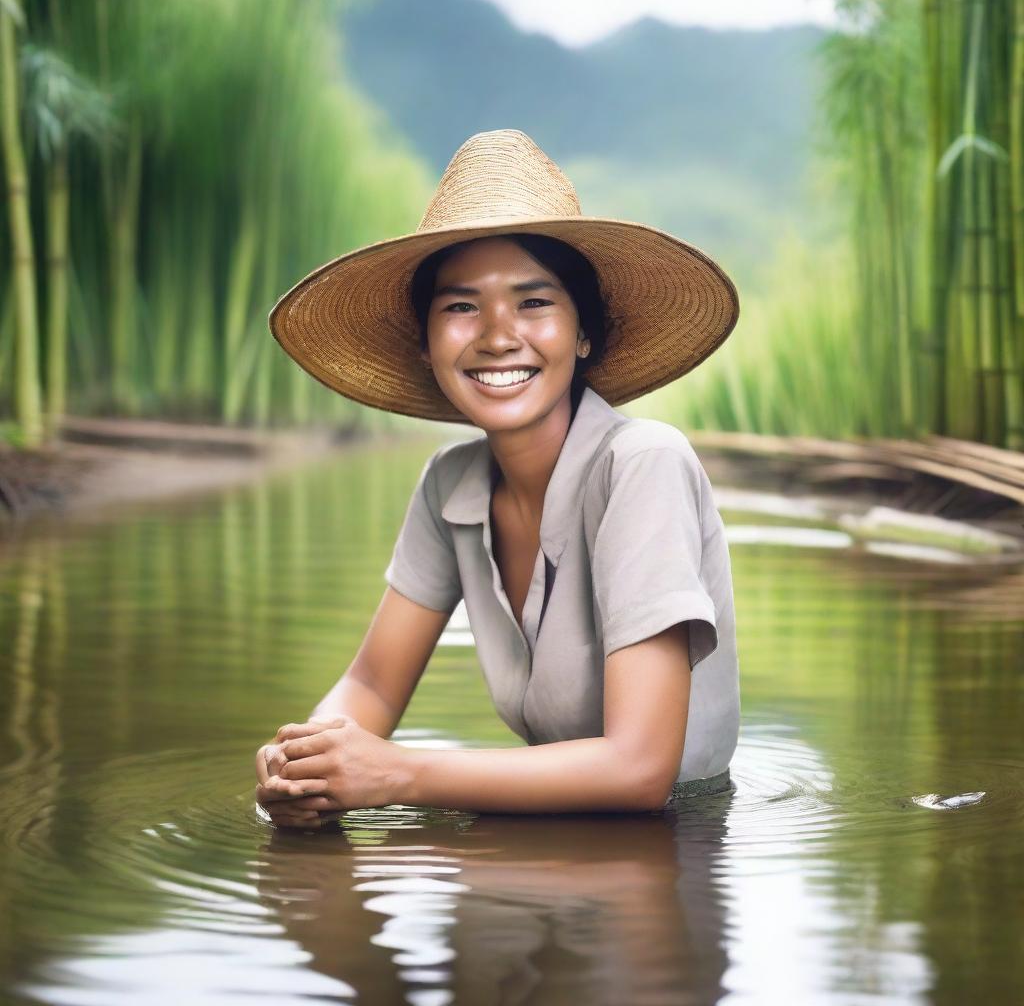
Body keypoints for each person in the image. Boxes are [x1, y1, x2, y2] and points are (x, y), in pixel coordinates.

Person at [255, 129, 741, 827]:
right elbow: (370, 685)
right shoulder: (449, 485)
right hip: (544, 837)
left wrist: (396, 773)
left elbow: (640, 768)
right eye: (460, 307)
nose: (496, 334)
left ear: (583, 334)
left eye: (534, 302)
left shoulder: (643, 463)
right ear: (426, 345)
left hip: (670, 848)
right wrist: (303, 761)